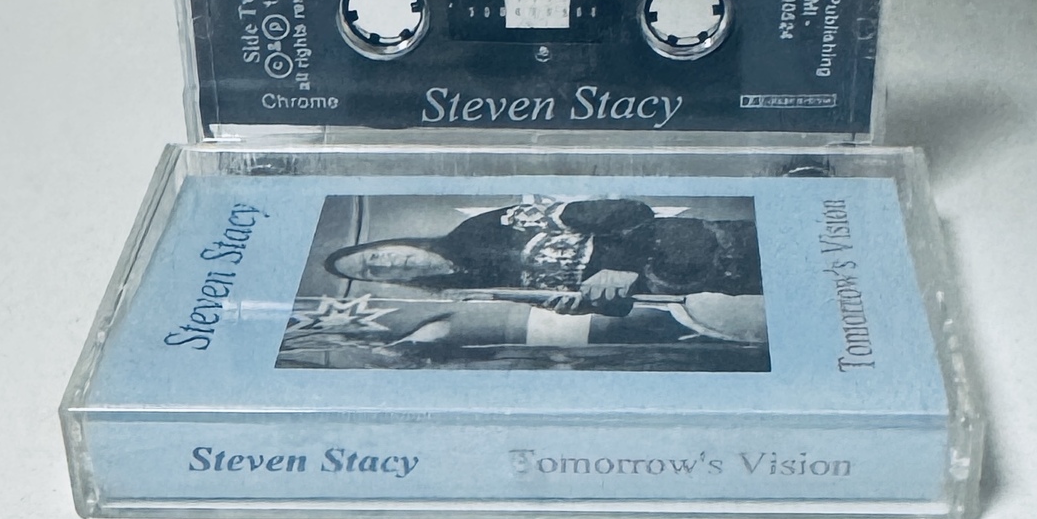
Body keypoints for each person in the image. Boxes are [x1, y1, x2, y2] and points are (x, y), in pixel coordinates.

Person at [324, 198, 761, 315]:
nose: (385, 263)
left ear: (395, 242)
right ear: (385, 282)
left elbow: (627, 212)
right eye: (371, 272)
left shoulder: (484, 227)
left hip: (709, 243)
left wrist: (622, 266)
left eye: (375, 254)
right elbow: (609, 307)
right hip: (712, 283)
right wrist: (597, 302)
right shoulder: (474, 290)